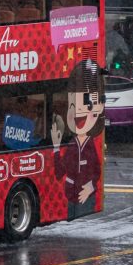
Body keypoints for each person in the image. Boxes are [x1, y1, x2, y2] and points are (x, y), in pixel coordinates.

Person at [51, 59, 105, 219]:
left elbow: (96, 170)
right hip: (71, 197)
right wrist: (55, 147)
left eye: (88, 110)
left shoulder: (89, 145)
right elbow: (60, 172)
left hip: (86, 196)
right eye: (74, 108)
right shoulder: (71, 143)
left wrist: (91, 186)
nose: (80, 116)